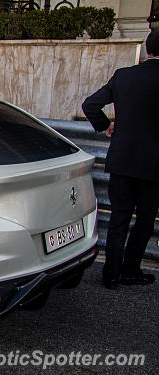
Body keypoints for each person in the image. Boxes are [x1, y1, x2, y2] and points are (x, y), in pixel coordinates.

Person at [82, 29, 159, 290]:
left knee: (118, 218)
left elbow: (90, 104)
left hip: (122, 161)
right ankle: (131, 270)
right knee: (145, 221)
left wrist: (106, 125)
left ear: (147, 49)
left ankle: (110, 274)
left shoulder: (124, 76)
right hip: (154, 166)